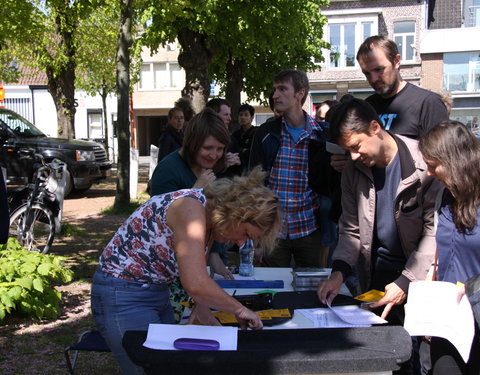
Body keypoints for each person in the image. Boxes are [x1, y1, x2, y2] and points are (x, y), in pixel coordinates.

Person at [91, 167, 281, 374]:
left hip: (153, 291)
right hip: (122, 294)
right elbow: (195, 282)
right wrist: (239, 309)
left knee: (168, 366)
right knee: (147, 368)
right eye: (245, 233)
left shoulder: (208, 218)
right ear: (235, 213)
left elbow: (196, 271)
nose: (241, 242)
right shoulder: (191, 210)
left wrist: (203, 309)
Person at [317, 97, 439, 334]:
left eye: (356, 147)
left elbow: (433, 232)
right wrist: (337, 274)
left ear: (375, 128)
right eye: (347, 150)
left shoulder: (424, 163)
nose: (352, 157)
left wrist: (406, 281)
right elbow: (350, 228)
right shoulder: (352, 171)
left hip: (419, 277)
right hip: (374, 276)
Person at [249, 69, 332, 268]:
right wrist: (256, 237)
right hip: (273, 232)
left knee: (312, 291)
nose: (275, 95)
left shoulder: (323, 134)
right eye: (274, 89)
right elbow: (253, 186)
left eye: (282, 89)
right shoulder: (266, 133)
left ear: (299, 94)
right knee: (274, 292)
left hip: (310, 229)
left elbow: (332, 184)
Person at [330, 36, 449, 173]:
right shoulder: (367, 106)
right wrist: (347, 163)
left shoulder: (428, 103)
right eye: (367, 73)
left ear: (396, 61)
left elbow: (442, 162)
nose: (373, 79)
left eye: (379, 70)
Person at [418, 121, 480, 375]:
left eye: (434, 165)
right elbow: (438, 253)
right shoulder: (445, 195)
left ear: (455, 161)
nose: (430, 173)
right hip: (447, 322)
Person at [231, 103, 256, 173]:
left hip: (251, 169)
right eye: (241, 115)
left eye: (246, 115)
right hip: (237, 169)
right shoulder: (235, 135)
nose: (243, 117)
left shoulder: (256, 133)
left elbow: (253, 152)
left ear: (252, 117)